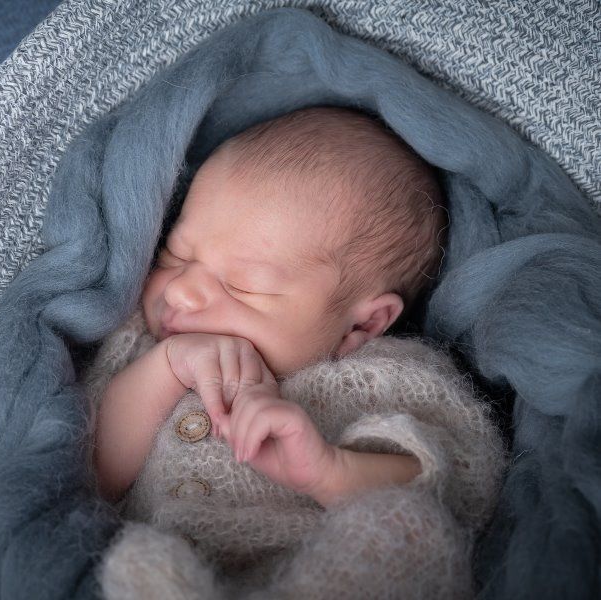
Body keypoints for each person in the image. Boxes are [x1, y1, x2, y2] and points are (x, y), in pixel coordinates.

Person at [84, 106, 506, 597]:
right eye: (176, 255)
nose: (180, 292)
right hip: (155, 562)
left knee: (409, 528)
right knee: (128, 558)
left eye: (243, 287)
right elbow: (90, 476)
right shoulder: (142, 345)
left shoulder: (385, 376)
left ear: (363, 324)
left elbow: (461, 479)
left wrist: (332, 471)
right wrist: (167, 369)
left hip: (316, 568)